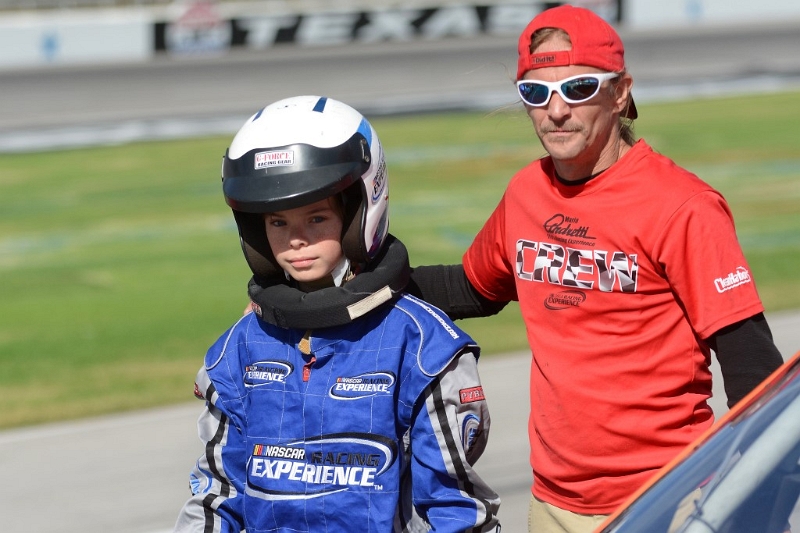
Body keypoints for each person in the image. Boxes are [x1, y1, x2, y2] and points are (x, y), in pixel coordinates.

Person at [404, 5, 785, 533]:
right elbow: (472, 288)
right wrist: (357, 278)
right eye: (536, 92)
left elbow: (752, 365)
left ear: (620, 92)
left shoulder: (684, 205)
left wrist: (757, 499)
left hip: (668, 499)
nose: (556, 111)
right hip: (553, 504)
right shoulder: (526, 192)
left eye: (579, 88)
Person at [173, 95, 500, 533]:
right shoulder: (238, 349)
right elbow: (216, 496)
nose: (296, 240)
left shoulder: (424, 349)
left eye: (316, 218)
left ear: (357, 214)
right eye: (277, 222)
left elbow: (455, 512)